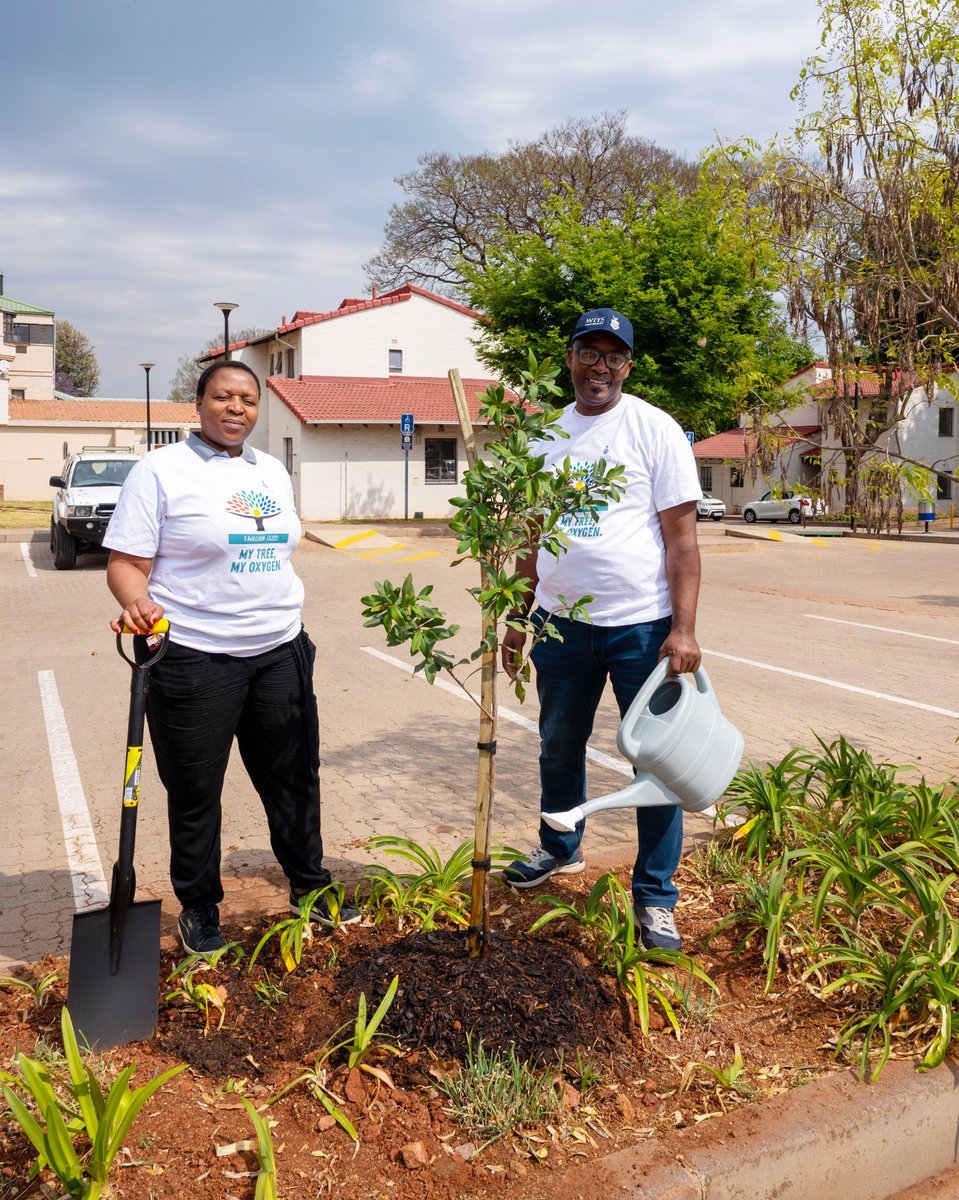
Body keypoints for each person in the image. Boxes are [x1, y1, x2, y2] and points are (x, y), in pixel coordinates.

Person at [104, 360, 358, 953]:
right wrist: (136, 602)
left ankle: (310, 886)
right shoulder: (160, 471)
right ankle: (199, 905)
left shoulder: (269, 471)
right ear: (198, 404)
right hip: (195, 659)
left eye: (247, 399)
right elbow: (125, 563)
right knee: (195, 788)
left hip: (280, 650)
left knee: (294, 778)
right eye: (223, 397)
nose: (236, 408)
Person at [501, 308, 702, 952]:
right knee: (559, 744)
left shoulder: (655, 430)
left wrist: (685, 629)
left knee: (654, 761)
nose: (601, 368)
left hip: (642, 629)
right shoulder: (544, 437)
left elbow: (683, 542)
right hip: (562, 627)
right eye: (590, 353)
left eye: (615, 357)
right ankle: (559, 848)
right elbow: (529, 539)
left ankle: (655, 900)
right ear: (571, 359)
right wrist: (516, 618)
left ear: (629, 366)